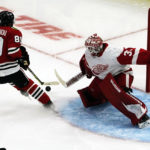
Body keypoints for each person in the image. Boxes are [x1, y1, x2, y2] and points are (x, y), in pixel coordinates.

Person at [77, 33, 150, 129]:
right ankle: (106, 95)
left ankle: (141, 116)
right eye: (89, 48)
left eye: (92, 48)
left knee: (119, 93)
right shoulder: (88, 54)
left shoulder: (113, 53)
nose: (90, 51)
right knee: (90, 97)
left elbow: (138, 55)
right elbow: (85, 62)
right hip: (104, 78)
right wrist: (86, 70)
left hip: (121, 74)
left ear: (99, 47)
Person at [0, 11, 52, 107]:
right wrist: (21, 57)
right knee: (28, 84)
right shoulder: (14, 32)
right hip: (10, 71)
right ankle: (49, 105)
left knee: (6, 76)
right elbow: (13, 52)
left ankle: (21, 88)